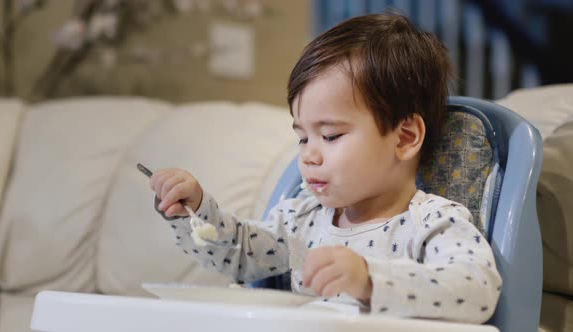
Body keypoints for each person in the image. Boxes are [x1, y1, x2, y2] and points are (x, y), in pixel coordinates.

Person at [149, 13, 502, 323]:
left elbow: (476, 289)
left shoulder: (433, 222)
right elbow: (239, 254)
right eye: (303, 138)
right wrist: (195, 212)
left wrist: (371, 280)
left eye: (330, 136)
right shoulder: (302, 221)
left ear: (404, 137)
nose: (308, 156)